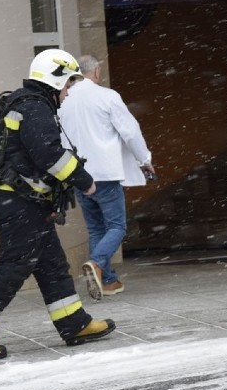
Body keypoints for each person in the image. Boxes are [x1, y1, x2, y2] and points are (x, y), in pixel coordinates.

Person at [0, 49, 116, 360]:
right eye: (67, 86)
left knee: (51, 264)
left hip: (20, 199)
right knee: (15, 265)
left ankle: (74, 323)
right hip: (19, 202)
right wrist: (85, 180)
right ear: (55, 81)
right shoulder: (34, 107)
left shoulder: (21, 103)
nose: (67, 95)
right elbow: (49, 155)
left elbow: (14, 155)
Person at [59, 54, 155, 299]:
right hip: (105, 173)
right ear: (97, 72)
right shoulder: (107, 97)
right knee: (117, 226)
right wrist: (144, 160)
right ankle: (98, 263)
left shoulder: (63, 101)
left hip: (78, 174)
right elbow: (130, 132)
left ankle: (109, 280)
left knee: (95, 229)